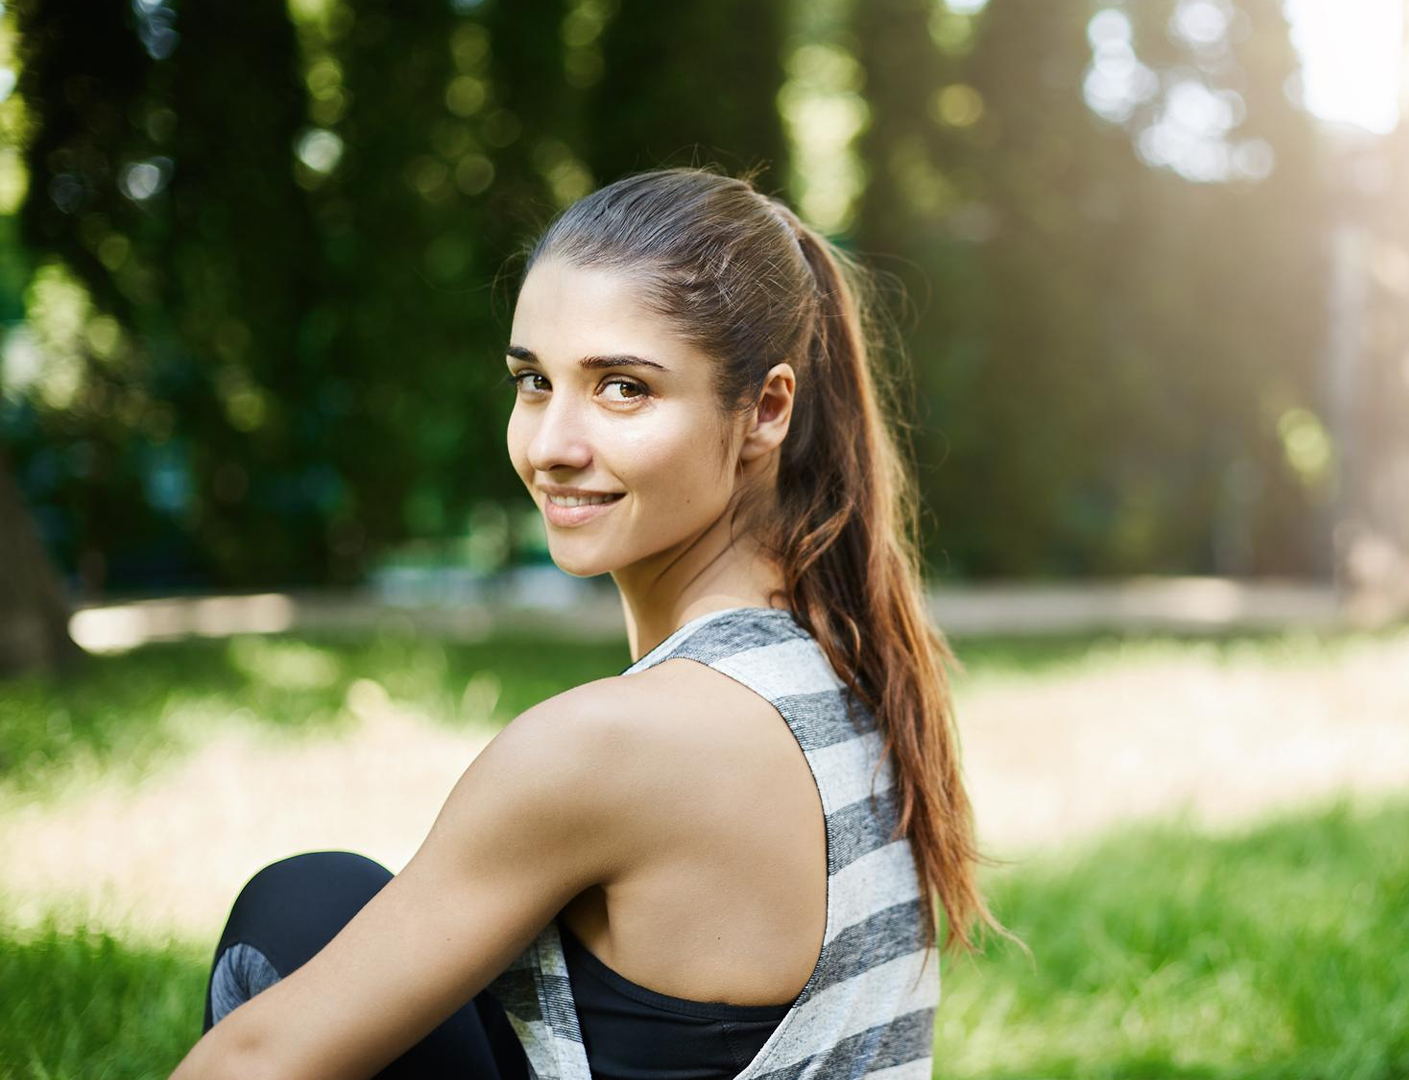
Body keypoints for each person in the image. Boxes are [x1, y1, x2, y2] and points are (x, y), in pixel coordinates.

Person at [171, 166, 1008, 1080]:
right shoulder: (846, 667)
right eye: (534, 381)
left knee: (296, 912)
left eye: (622, 388)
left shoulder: (611, 745)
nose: (550, 446)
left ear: (767, 409)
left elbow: (256, 1058)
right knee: (327, 904)